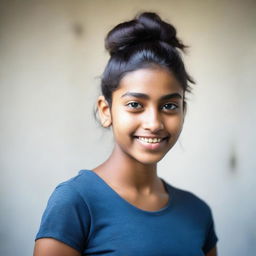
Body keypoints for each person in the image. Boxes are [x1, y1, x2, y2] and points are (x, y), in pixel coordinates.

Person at [33, 12, 218, 256]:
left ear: (183, 110)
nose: (154, 123)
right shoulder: (76, 202)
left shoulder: (197, 212)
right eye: (135, 105)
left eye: (169, 106)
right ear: (106, 110)